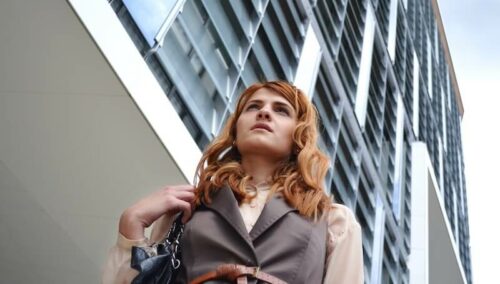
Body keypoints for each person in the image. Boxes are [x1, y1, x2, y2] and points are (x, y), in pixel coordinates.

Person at [103, 81, 364, 283]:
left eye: (281, 110)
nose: (264, 112)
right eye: (253, 107)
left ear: (299, 138)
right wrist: (131, 226)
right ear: (236, 128)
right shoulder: (187, 207)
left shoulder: (333, 222)